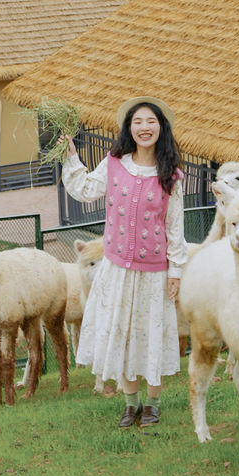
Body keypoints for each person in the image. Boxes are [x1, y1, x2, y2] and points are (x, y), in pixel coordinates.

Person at [59, 96, 187, 429]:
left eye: (151, 122)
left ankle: (153, 404)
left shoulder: (171, 175)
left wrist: (176, 272)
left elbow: (175, 228)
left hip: (154, 272)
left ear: (161, 128)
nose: (145, 128)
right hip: (116, 269)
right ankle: (130, 404)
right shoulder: (115, 163)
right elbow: (86, 189)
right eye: (138, 122)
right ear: (129, 128)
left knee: (151, 334)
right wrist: (71, 158)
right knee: (125, 334)